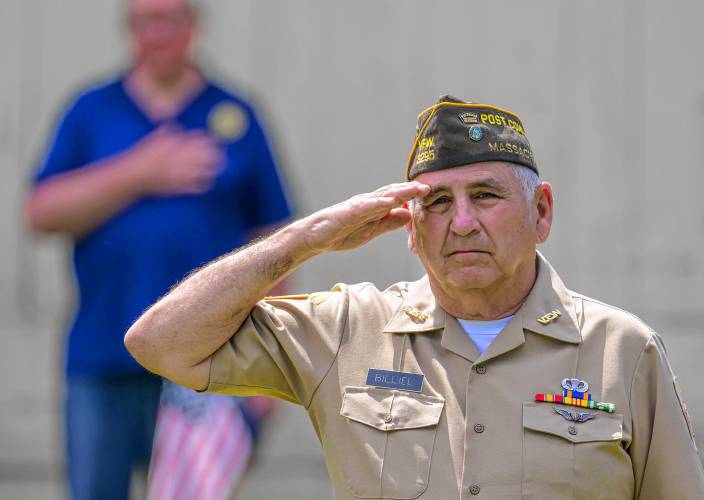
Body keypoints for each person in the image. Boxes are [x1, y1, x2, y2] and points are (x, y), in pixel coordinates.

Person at [124, 95, 704, 499]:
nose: (463, 222)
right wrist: (304, 240)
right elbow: (160, 343)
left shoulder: (622, 351)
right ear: (409, 225)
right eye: (438, 202)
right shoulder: (347, 330)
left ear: (542, 211)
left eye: (485, 195)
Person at [25, 0, 290, 498]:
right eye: (146, 20)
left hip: (209, 363)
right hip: (103, 357)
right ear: (129, 29)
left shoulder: (235, 114)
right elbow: (40, 211)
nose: (159, 33)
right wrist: (139, 173)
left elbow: (274, 243)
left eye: (171, 19)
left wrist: (266, 369)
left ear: (194, 27)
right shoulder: (92, 111)